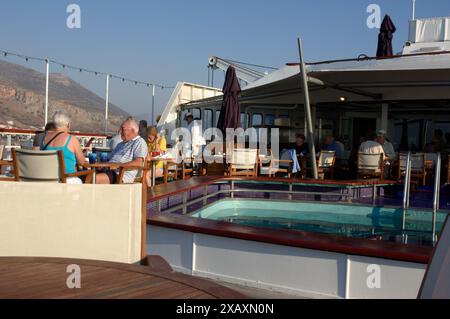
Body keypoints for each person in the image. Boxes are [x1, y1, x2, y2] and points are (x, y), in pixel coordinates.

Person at [95, 118, 148, 184]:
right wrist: (103, 165)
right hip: (109, 171)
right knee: (85, 175)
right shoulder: (120, 144)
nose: (120, 132)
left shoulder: (139, 142)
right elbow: (110, 159)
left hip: (120, 174)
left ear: (133, 130)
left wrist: (117, 166)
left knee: (93, 179)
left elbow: (138, 163)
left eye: (123, 129)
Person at [40, 111, 87, 184]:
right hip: (67, 181)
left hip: (48, 181)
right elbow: (81, 162)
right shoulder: (71, 139)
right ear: (68, 125)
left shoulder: (45, 138)